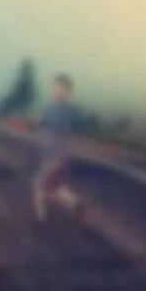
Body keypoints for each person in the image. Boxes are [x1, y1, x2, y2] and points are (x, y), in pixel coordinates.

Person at [32, 73, 85, 221]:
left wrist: (43, 121)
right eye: (54, 88)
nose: (56, 91)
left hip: (57, 155)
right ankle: (76, 203)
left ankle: (41, 219)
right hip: (49, 154)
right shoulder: (50, 108)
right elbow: (41, 125)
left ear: (68, 92)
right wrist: (38, 122)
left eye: (61, 89)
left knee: (39, 185)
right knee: (53, 188)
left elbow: (60, 131)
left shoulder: (66, 110)